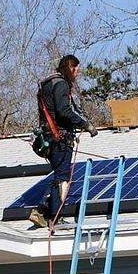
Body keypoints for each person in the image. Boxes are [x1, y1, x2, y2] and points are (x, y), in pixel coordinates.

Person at [29, 54, 97, 229]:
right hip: (58, 138)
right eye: (76, 69)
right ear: (70, 67)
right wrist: (85, 124)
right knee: (63, 178)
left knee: (60, 174)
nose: (77, 73)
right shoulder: (60, 84)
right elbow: (64, 110)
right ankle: (53, 216)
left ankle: (43, 211)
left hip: (49, 138)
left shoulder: (48, 84)